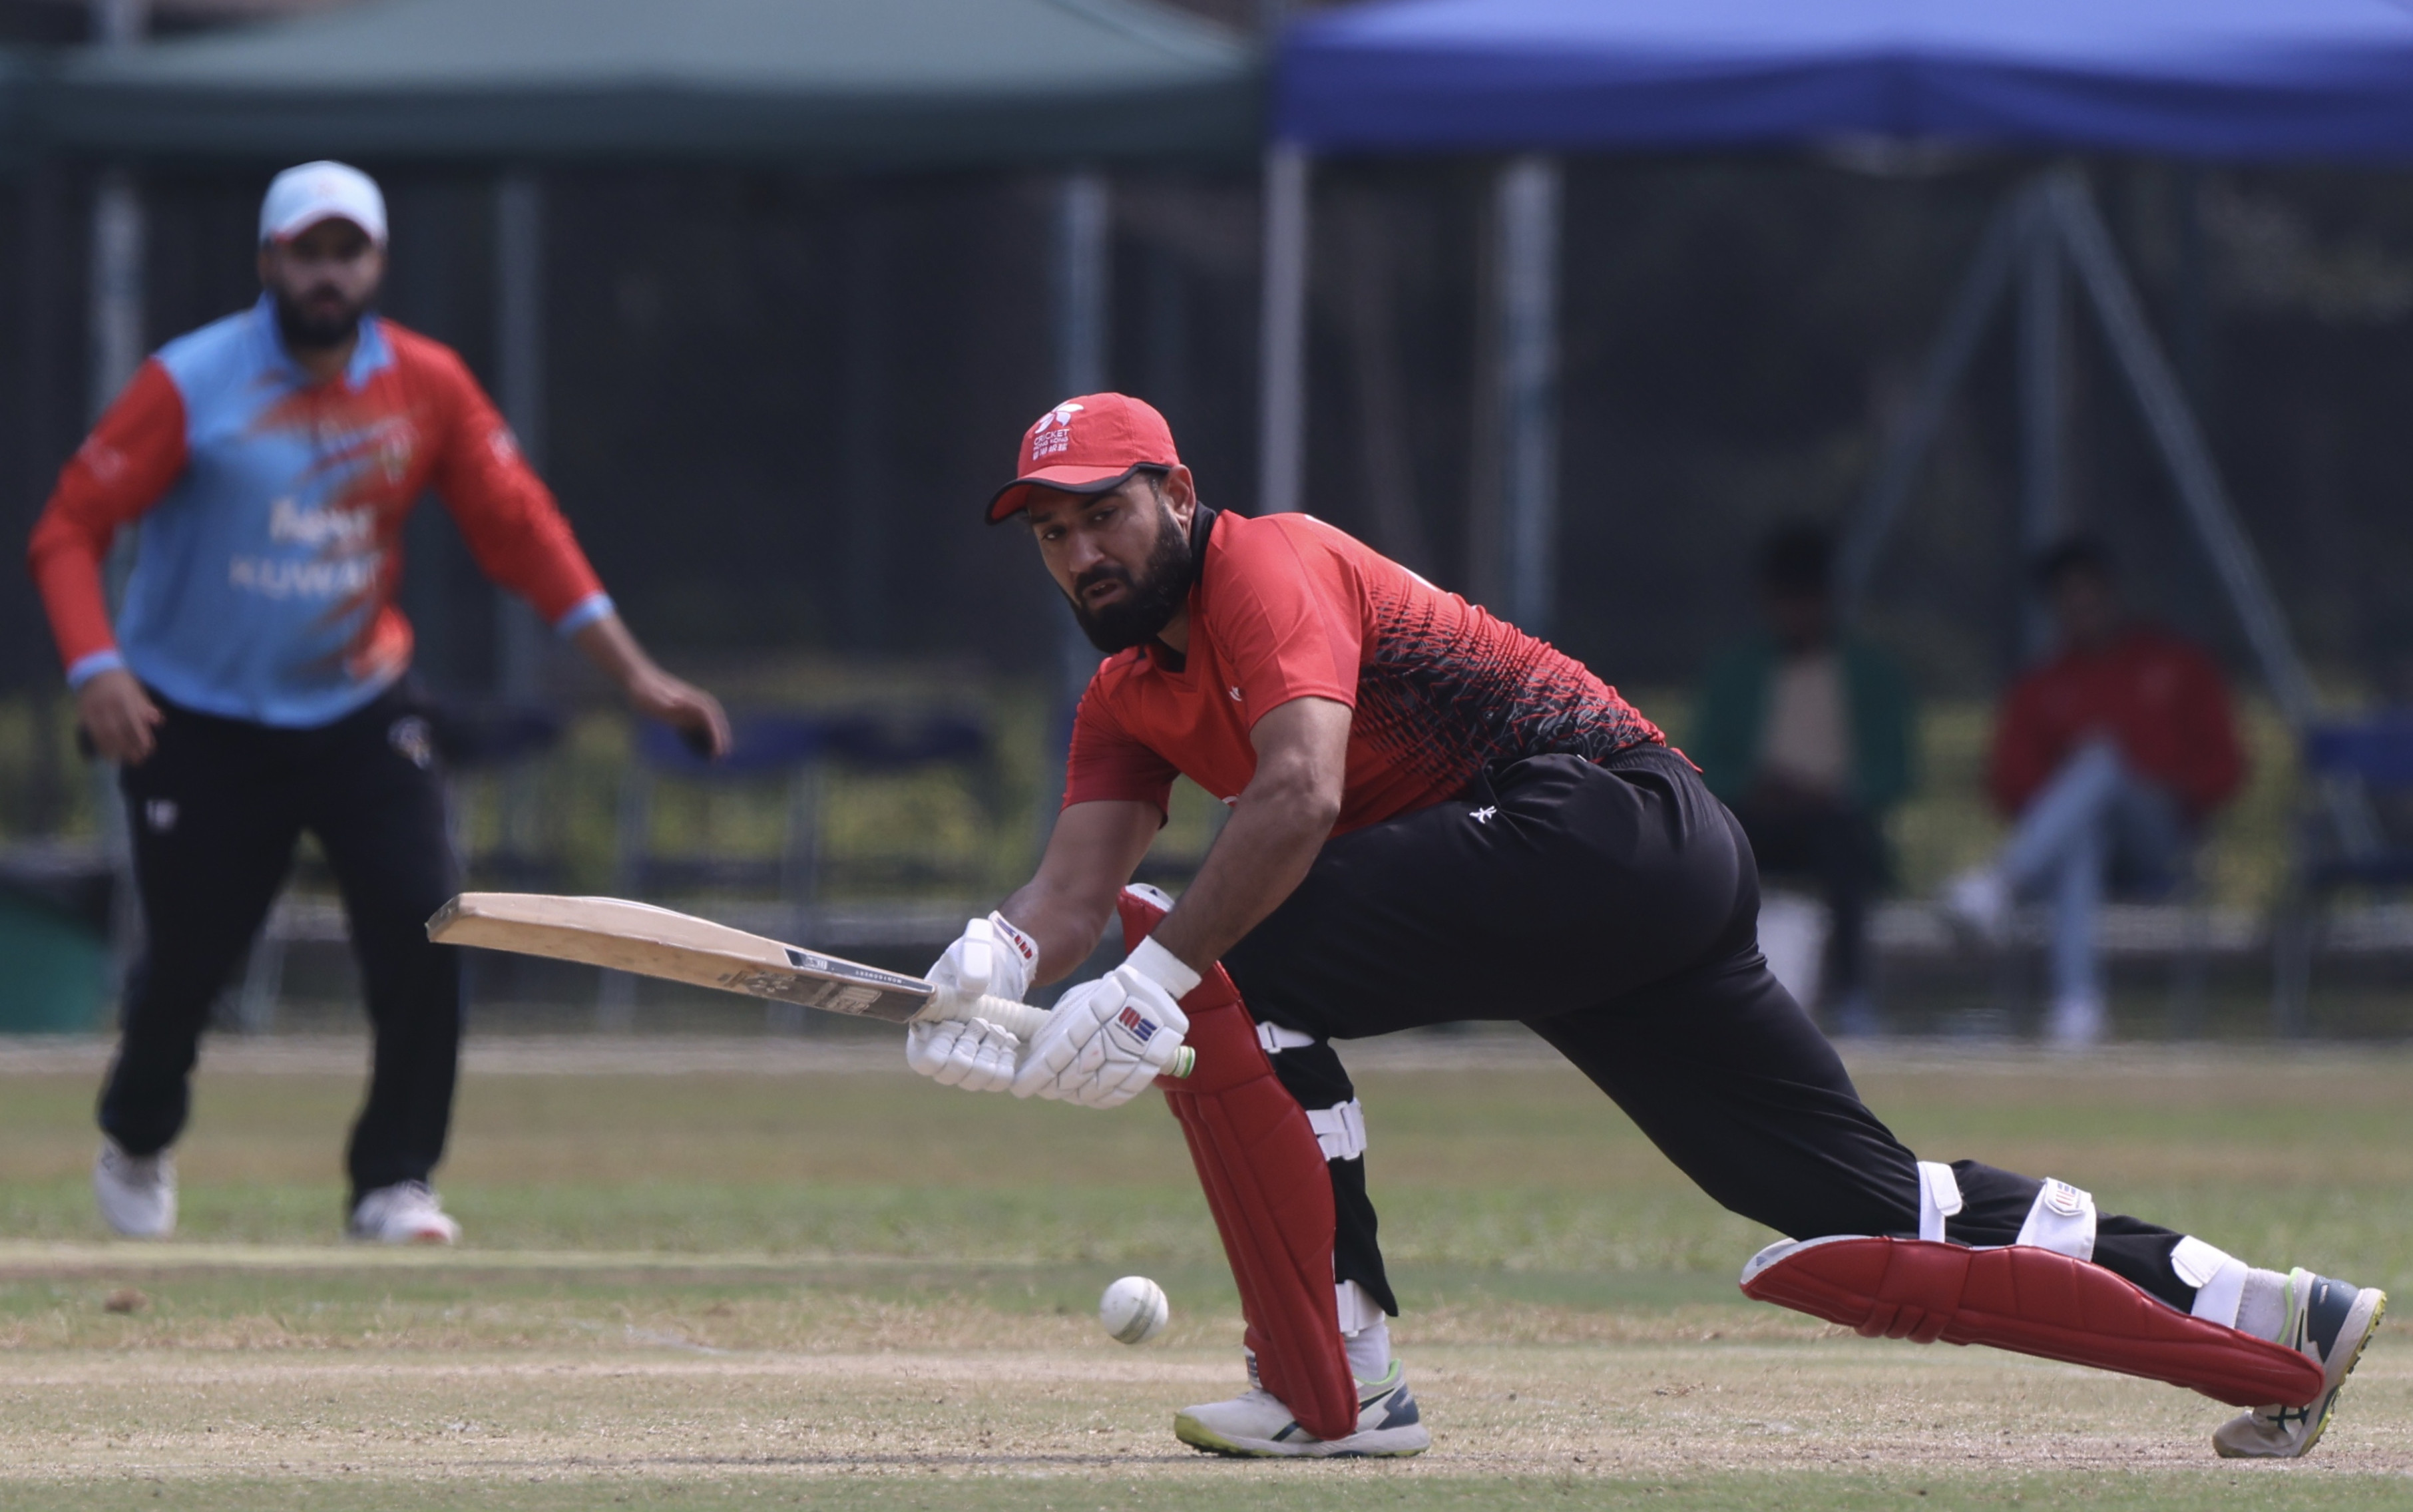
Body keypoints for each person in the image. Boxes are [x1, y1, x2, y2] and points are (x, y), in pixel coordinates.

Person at [905, 394, 2378, 1462]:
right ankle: (2266, 1315)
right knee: (1868, 1208)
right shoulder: (1123, 694)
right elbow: (1070, 892)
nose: (1083, 550)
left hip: (1597, 821)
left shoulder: (1264, 564)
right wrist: (992, 963)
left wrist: (1160, 980)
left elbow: (1296, 796)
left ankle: (1335, 1371)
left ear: (1177, 490)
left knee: (1244, 961)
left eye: (1105, 511)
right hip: (1609, 894)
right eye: (1051, 532)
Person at [26, 162, 730, 1244]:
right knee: (190, 963)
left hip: (357, 707)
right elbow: (69, 528)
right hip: (196, 719)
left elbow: (520, 529)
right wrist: (97, 666)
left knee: (424, 923)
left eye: (346, 251)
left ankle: (394, 1180)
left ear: (377, 263)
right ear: (270, 261)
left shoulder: (427, 383)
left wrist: (635, 675)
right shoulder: (191, 382)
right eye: (305, 251)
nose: (326, 272)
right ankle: (137, 1131)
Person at [1943, 538, 2245, 1047]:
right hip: (2079, 850)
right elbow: (2007, 782)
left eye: (2090, 594)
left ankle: (2000, 882)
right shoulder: (2040, 686)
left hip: (2162, 843)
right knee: (2081, 838)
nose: (2081, 608)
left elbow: (2226, 766)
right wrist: (2071, 804)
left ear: (2112, 594)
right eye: (2068, 598)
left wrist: (2171, 789)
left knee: (2101, 762)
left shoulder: (2174, 664)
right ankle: (2078, 1010)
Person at [1691, 524, 1913, 1034]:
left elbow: (1893, 770)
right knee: (1713, 854)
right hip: (1754, 816)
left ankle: (1853, 999)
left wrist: (1836, 792)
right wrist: (1752, 785)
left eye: (1807, 599)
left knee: (1844, 849)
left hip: (1835, 819)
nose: (1797, 613)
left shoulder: (1870, 672)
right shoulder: (1736, 672)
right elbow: (1702, 761)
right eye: (1786, 600)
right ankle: (1713, 999)